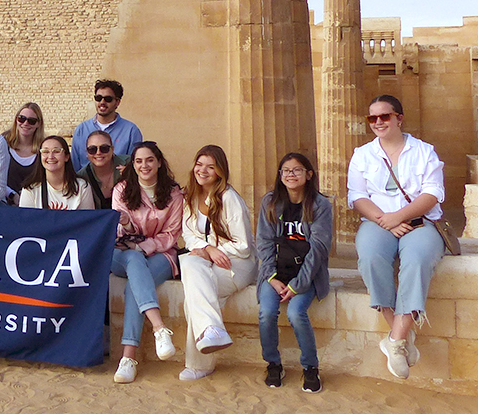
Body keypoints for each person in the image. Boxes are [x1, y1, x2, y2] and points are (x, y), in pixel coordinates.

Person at [347, 94, 446, 381]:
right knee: (370, 258)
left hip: (420, 223)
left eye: (384, 116)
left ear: (398, 118)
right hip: (379, 222)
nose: (378, 122)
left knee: (416, 260)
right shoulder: (362, 154)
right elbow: (357, 196)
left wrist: (398, 217)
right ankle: (401, 337)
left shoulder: (424, 151)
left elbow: (432, 193)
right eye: (373, 118)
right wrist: (386, 222)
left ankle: (395, 339)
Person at [179, 145, 257, 381]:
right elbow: (188, 234)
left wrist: (216, 250)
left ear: (220, 171)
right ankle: (212, 331)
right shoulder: (191, 196)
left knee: (195, 297)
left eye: (210, 167)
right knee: (189, 264)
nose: (203, 170)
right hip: (208, 258)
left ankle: (199, 364)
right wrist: (207, 250)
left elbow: (243, 244)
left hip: (236, 263)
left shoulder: (229, 198)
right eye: (199, 164)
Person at [256, 152, 332, 393]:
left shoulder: (320, 205)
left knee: (297, 313)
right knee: (267, 313)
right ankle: (273, 364)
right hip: (275, 273)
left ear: (309, 175)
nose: (290, 174)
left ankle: (310, 368)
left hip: (306, 274)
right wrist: (272, 278)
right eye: (285, 170)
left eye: (297, 170)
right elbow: (264, 242)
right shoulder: (270, 202)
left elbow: (319, 249)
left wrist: (297, 285)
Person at [110, 141, 183, 383]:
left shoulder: (173, 193)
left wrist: (144, 246)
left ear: (159, 162)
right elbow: (118, 233)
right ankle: (159, 327)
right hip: (122, 254)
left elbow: (172, 233)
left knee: (136, 283)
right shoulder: (122, 190)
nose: (144, 165)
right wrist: (128, 226)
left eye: (149, 160)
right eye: (139, 161)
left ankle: (128, 358)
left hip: (161, 255)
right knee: (133, 259)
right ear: (133, 164)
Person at [70, 79, 143, 170]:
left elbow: (135, 165)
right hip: (86, 183)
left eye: (108, 99)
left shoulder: (131, 131)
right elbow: (74, 165)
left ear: (117, 102)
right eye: (98, 98)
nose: (102, 102)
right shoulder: (81, 130)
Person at [19, 135, 93, 210]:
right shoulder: (30, 189)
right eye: (45, 151)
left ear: (67, 156)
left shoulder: (82, 187)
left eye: (56, 151)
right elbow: (26, 220)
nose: (51, 156)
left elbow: (87, 220)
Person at [76, 130, 129, 209]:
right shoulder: (82, 177)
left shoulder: (129, 164)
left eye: (104, 148)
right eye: (92, 149)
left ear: (112, 149)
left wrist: (133, 176)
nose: (98, 153)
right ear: (87, 152)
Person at [4, 102, 45, 203]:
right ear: (16, 120)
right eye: (21, 118)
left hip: (34, 205)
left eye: (32, 121)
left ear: (38, 124)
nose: (25, 123)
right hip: (5, 204)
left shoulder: (44, 149)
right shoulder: (2, 143)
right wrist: (12, 195)